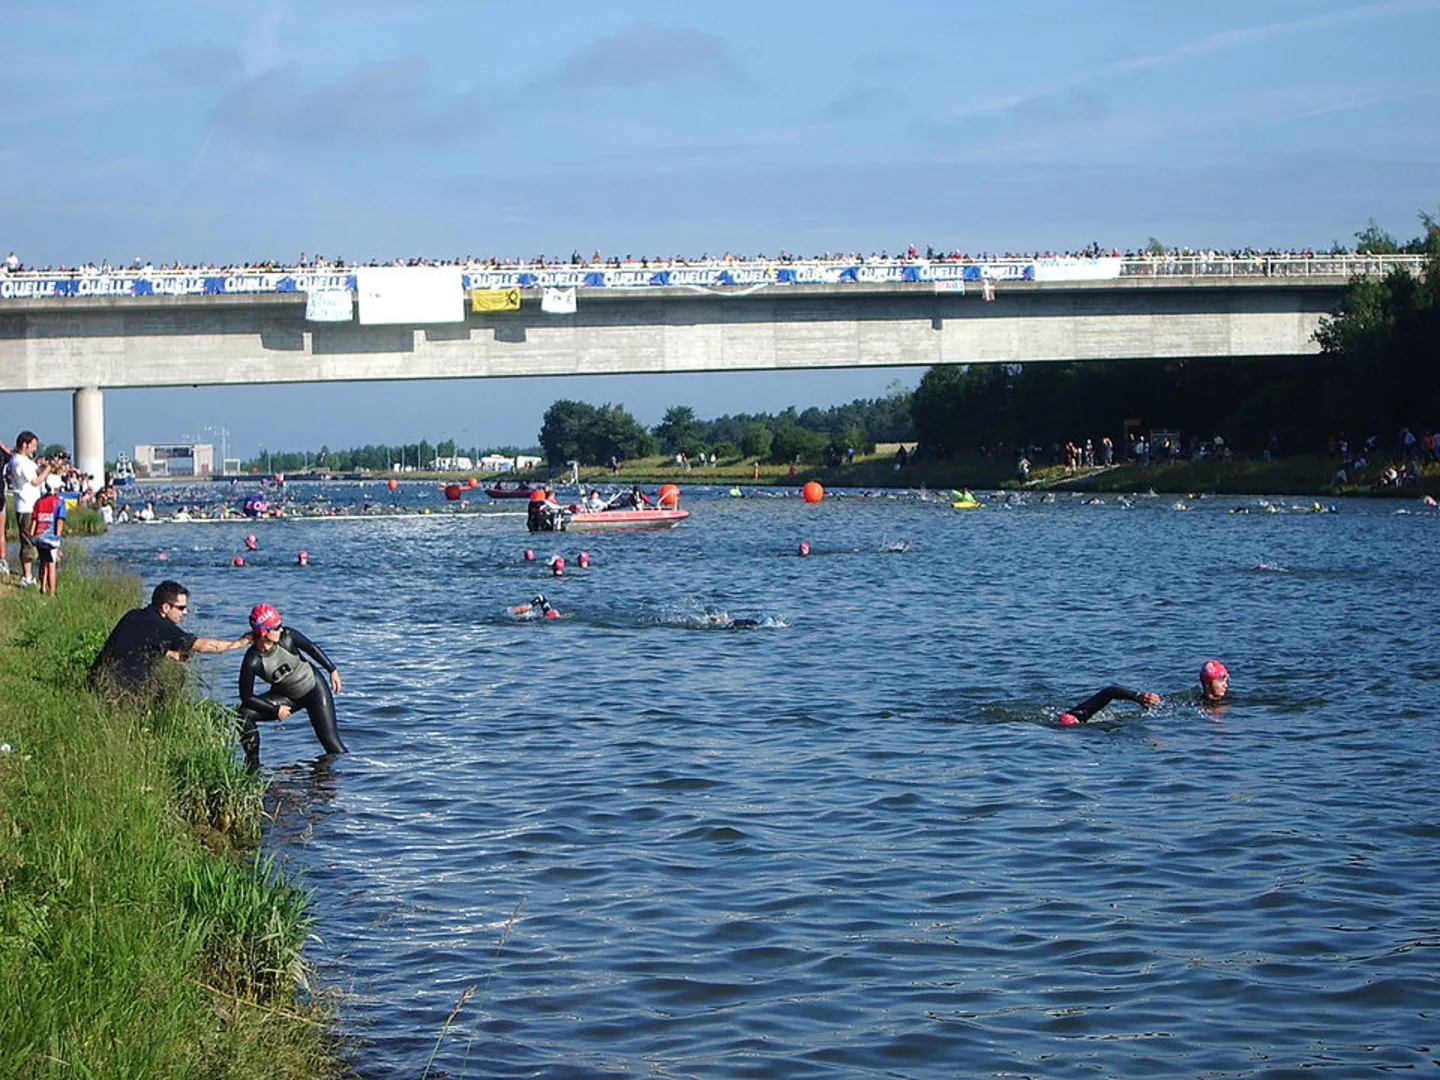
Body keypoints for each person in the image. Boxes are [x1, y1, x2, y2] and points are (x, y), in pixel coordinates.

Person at [89, 580, 251, 701]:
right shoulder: (160, 625)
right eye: (181, 608)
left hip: (96, 683)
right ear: (166, 607)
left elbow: (138, 645)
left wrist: (169, 653)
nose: (185, 612)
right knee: (171, 682)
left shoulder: (135, 615)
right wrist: (239, 643)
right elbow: (201, 645)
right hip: (118, 693)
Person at [236, 603, 347, 769]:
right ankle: (252, 767)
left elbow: (311, 648)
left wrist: (332, 670)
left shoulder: (287, 636)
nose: (281, 629)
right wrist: (275, 710)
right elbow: (247, 697)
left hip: (314, 690)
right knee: (243, 714)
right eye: (276, 627)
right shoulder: (252, 660)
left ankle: (346, 775)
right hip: (287, 698)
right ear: (264, 632)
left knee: (333, 747)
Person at [1057, 659, 1230, 724]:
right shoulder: (1080, 717)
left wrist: (1137, 697)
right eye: (1221, 680)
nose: (1225, 685)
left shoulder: (1079, 715)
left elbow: (1109, 691)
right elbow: (1108, 691)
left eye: (1225, 680)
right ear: (1208, 683)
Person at [6, 432, 53, 587]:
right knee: (28, 541)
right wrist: (48, 469)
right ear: (25, 444)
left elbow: (36, 471)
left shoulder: (25, 461)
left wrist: (46, 466)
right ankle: (27, 576)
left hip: (31, 505)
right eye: (33, 445)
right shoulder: (20, 462)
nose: (34, 449)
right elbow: (35, 481)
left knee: (34, 540)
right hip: (26, 506)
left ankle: (31, 575)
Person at [29, 486, 66, 596]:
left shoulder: (39, 501)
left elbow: (34, 520)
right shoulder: (59, 502)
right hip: (50, 539)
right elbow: (59, 523)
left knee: (43, 561)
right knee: (51, 565)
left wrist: (31, 536)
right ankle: (52, 593)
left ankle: (42, 587)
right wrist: (58, 542)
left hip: (38, 537)